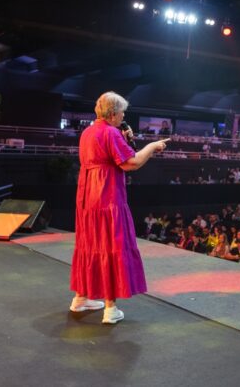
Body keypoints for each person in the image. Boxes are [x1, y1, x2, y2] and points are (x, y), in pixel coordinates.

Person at [69, 91, 169, 324]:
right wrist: (153, 146)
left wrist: (124, 139)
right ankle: (110, 308)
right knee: (111, 246)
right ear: (113, 114)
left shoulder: (88, 132)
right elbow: (131, 163)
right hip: (107, 197)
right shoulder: (110, 132)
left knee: (89, 245)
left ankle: (80, 298)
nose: (124, 115)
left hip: (86, 197)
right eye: (122, 112)